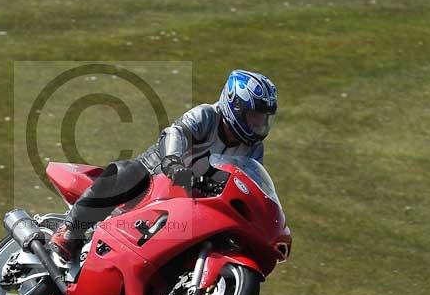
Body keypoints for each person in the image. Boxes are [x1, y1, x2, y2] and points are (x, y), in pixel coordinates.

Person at [50, 69, 278, 262]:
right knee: (129, 172)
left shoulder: (254, 149)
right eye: (254, 115)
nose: (260, 123)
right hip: (157, 176)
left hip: (195, 200)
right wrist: (173, 163)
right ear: (235, 106)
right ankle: (71, 229)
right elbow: (176, 132)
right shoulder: (207, 116)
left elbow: (247, 181)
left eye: (263, 118)